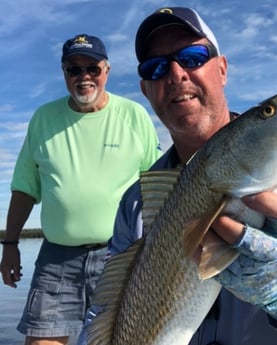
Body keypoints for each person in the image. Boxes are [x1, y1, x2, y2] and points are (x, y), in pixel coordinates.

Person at [80, 7, 277, 345]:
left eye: (192, 57)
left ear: (221, 70)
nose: (176, 74)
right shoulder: (136, 202)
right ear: (146, 90)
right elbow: (101, 313)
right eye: (156, 68)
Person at [0, 33, 161, 345]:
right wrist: (9, 246)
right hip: (55, 258)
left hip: (120, 256)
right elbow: (24, 189)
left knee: (125, 338)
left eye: (92, 69)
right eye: (74, 69)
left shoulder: (134, 115)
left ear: (107, 70)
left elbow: (156, 187)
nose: (84, 77)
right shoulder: (43, 118)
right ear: (64, 74)